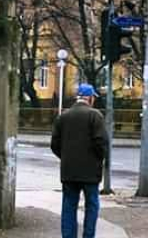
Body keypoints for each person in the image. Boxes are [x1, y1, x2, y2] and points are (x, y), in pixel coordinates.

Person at [51, 83, 107, 238]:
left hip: (69, 171)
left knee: (69, 206)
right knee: (92, 205)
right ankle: (88, 236)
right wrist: (98, 159)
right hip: (90, 172)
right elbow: (101, 142)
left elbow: (54, 143)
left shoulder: (63, 116)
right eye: (93, 98)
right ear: (89, 98)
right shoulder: (95, 116)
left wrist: (67, 157)